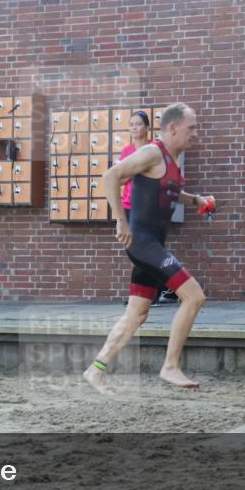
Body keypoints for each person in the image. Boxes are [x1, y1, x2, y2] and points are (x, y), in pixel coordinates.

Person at [84, 103, 215, 393]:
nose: (196, 133)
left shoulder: (171, 160)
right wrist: (121, 221)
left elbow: (168, 191)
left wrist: (196, 200)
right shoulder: (153, 152)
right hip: (143, 244)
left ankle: (95, 370)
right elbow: (111, 176)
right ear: (173, 128)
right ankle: (170, 366)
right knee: (194, 297)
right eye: (191, 127)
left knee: (137, 314)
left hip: (152, 245)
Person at [119, 111, 177, 307]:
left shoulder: (154, 149)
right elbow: (121, 178)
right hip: (129, 206)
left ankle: (147, 295)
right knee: (138, 253)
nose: (134, 127)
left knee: (143, 253)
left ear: (147, 127)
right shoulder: (126, 151)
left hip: (150, 207)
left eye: (138, 124)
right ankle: (166, 288)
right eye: (131, 124)